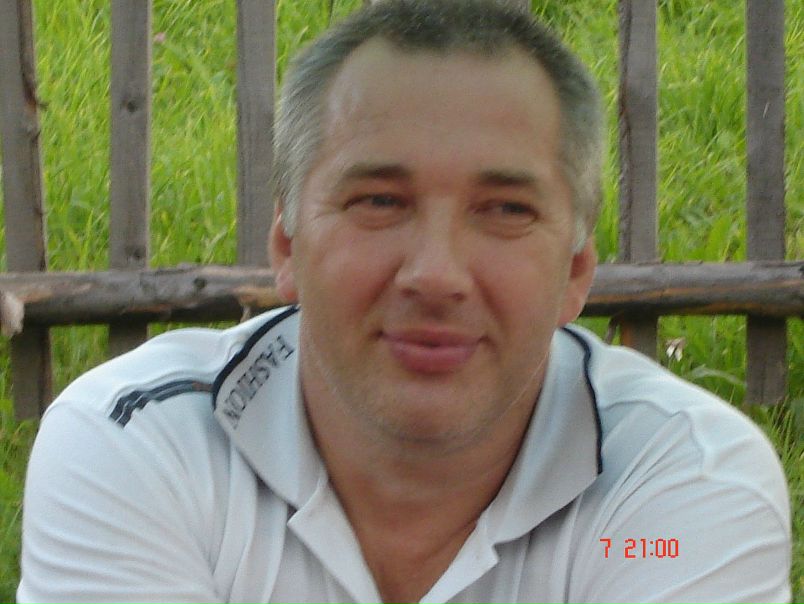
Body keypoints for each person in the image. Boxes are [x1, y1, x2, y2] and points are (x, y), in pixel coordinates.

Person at [18, 1, 791, 602]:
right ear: (286, 248)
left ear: (576, 273)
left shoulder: (680, 485)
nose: (436, 274)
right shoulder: (138, 443)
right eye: (380, 201)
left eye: (506, 210)